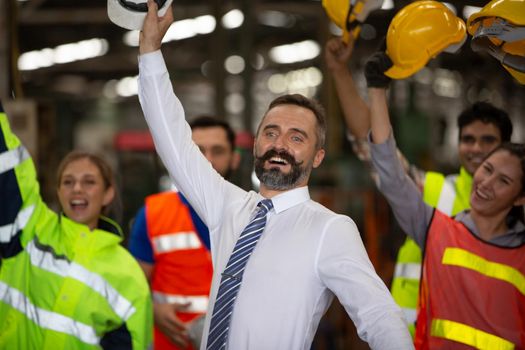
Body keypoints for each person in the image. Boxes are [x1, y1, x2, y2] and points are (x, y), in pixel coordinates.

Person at [135, 1, 413, 349]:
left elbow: (379, 317)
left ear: (318, 157)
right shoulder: (228, 206)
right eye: (270, 132)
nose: (279, 144)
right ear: (254, 144)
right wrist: (150, 52)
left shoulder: (330, 229)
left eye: (297, 138)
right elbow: (172, 137)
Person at [325, 35, 513, 336]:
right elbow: (374, 149)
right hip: (408, 335)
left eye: (487, 140)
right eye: (468, 139)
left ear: (506, 148)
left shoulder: (516, 218)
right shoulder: (431, 189)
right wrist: (341, 74)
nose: (476, 148)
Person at [365, 53, 525, 348]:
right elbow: (390, 172)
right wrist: (376, 90)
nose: (486, 184)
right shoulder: (436, 228)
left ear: (520, 198)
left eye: (503, 181)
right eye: (487, 170)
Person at [0, 100, 152, 349]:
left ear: (108, 194)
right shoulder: (32, 228)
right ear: (58, 192)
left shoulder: (128, 275)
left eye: (89, 182)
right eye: (68, 182)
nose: (77, 189)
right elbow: (7, 163)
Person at [128, 116, 240, 350]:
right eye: (197, 151)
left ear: (234, 159)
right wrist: (152, 308)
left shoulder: (254, 216)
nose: (207, 161)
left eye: (217, 151)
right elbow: (130, 287)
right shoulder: (152, 214)